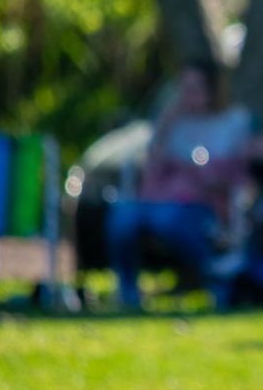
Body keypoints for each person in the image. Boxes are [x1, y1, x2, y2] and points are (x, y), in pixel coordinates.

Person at [106, 60, 254, 310]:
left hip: (202, 204)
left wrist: (198, 173)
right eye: (183, 88)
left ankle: (215, 279)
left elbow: (235, 175)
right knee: (122, 217)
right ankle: (128, 292)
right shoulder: (174, 123)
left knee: (169, 219)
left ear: (212, 90)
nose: (187, 95)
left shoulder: (233, 121)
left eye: (195, 88)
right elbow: (152, 167)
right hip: (158, 200)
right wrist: (166, 122)